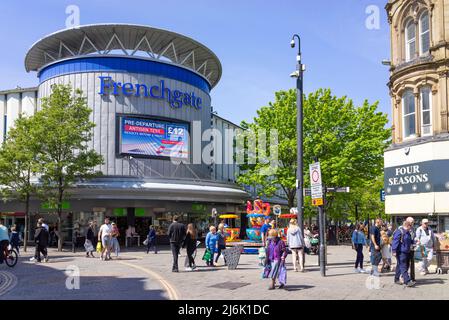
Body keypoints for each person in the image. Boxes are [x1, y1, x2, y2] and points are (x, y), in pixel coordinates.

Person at [392, 221, 416, 287]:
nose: (411, 228)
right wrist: (394, 251)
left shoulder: (407, 232)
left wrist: (414, 242)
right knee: (403, 266)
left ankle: (396, 279)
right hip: (400, 252)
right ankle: (407, 281)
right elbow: (395, 241)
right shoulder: (399, 231)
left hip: (406, 251)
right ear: (408, 226)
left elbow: (409, 240)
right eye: (410, 226)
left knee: (400, 265)